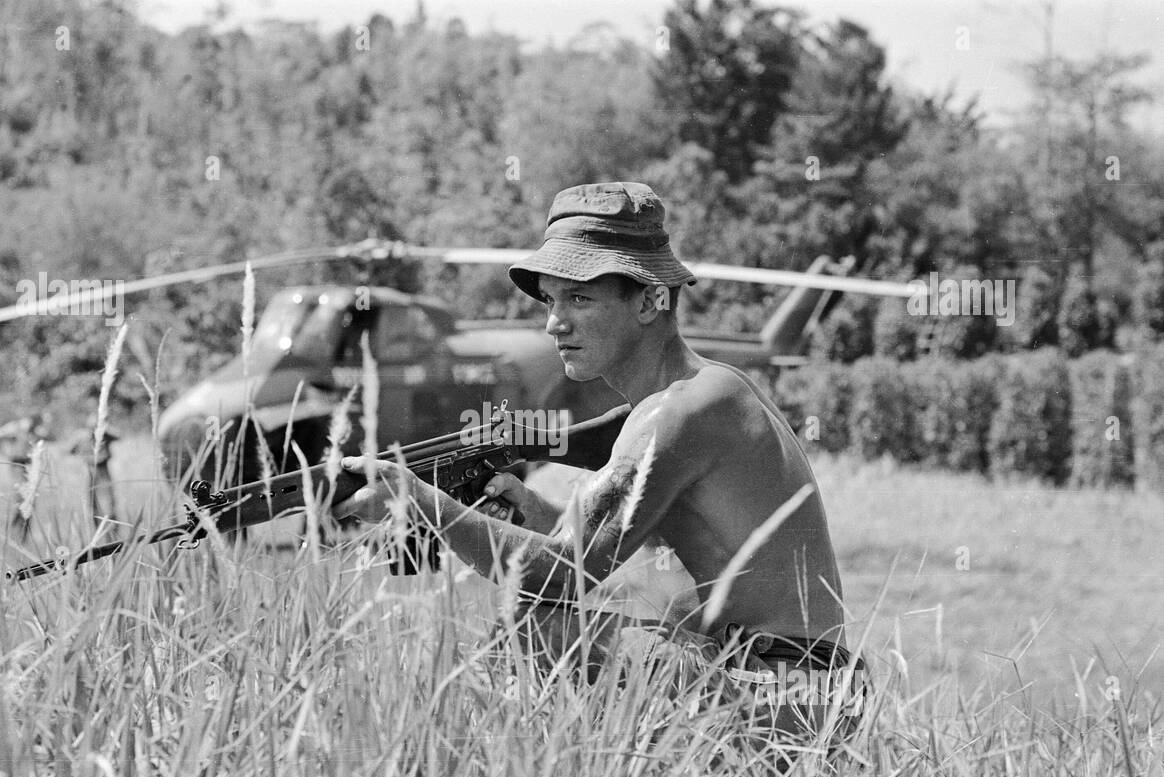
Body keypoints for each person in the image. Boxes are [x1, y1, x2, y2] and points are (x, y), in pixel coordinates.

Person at [333, 182, 862, 744]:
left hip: (784, 693)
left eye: (580, 299)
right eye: (551, 300)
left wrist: (419, 500)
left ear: (649, 300)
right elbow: (644, 562)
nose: (554, 324)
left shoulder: (680, 413)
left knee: (542, 627)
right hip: (801, 688)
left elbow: (562, 572)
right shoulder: (709, 394)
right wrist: (538, 512)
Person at [0, 412, 52, 540]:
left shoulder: (34, 430)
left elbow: (48, 436)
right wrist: (2, 452)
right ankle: (14, 533)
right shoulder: (16, 427)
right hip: (18, 464)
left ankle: (23, 535)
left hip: (29, 465)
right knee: (21, 498)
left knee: (30, 499)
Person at [67, 414, 120, 525]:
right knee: (91, 500)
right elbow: (69, 450)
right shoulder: (81, 436)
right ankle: (95, 524)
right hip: (88, 469)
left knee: (108, 499)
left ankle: (112, 523)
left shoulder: (105, 434)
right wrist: (82, 456)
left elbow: (119, 436)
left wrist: (105, 429)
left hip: (103, 469)